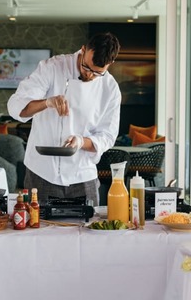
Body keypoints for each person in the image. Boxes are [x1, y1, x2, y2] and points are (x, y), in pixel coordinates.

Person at [7, 32, 121, 206]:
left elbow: (107, 136)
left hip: (83, 174)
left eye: (97, 73)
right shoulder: (52, 67)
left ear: (110, 64)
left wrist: (81, 141)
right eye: (86, 67)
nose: (89, 75)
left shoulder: (110, 89)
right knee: (36, 230)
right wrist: (47, 102)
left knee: (88, 230)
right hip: (42, 171)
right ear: (83, 50)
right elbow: (16, 107)